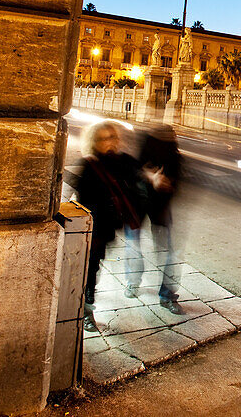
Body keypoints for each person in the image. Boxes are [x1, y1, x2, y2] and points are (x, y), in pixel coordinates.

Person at [64, 120, 142, 332]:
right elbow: (70, 196)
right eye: (106, 138)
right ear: (94, 142)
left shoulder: (121, 161)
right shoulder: (88, 164)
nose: (112, 142)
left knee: (93, 268)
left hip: (107, 228)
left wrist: (153, 178)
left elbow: (138, 175)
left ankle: (85, 304)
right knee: (88, 271)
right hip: (89, 230)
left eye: (114, 137)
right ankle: (86, 312)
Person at [124, 124, 183, 313]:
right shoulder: (140, 147)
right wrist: (149, 177)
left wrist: (167, 184)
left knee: (168, 252)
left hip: (160, 206)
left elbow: (178, 180)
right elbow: (130, 171)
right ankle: (133, 282)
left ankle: (166, 295)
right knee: (133, 245)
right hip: (136, 204)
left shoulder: (174, 156)